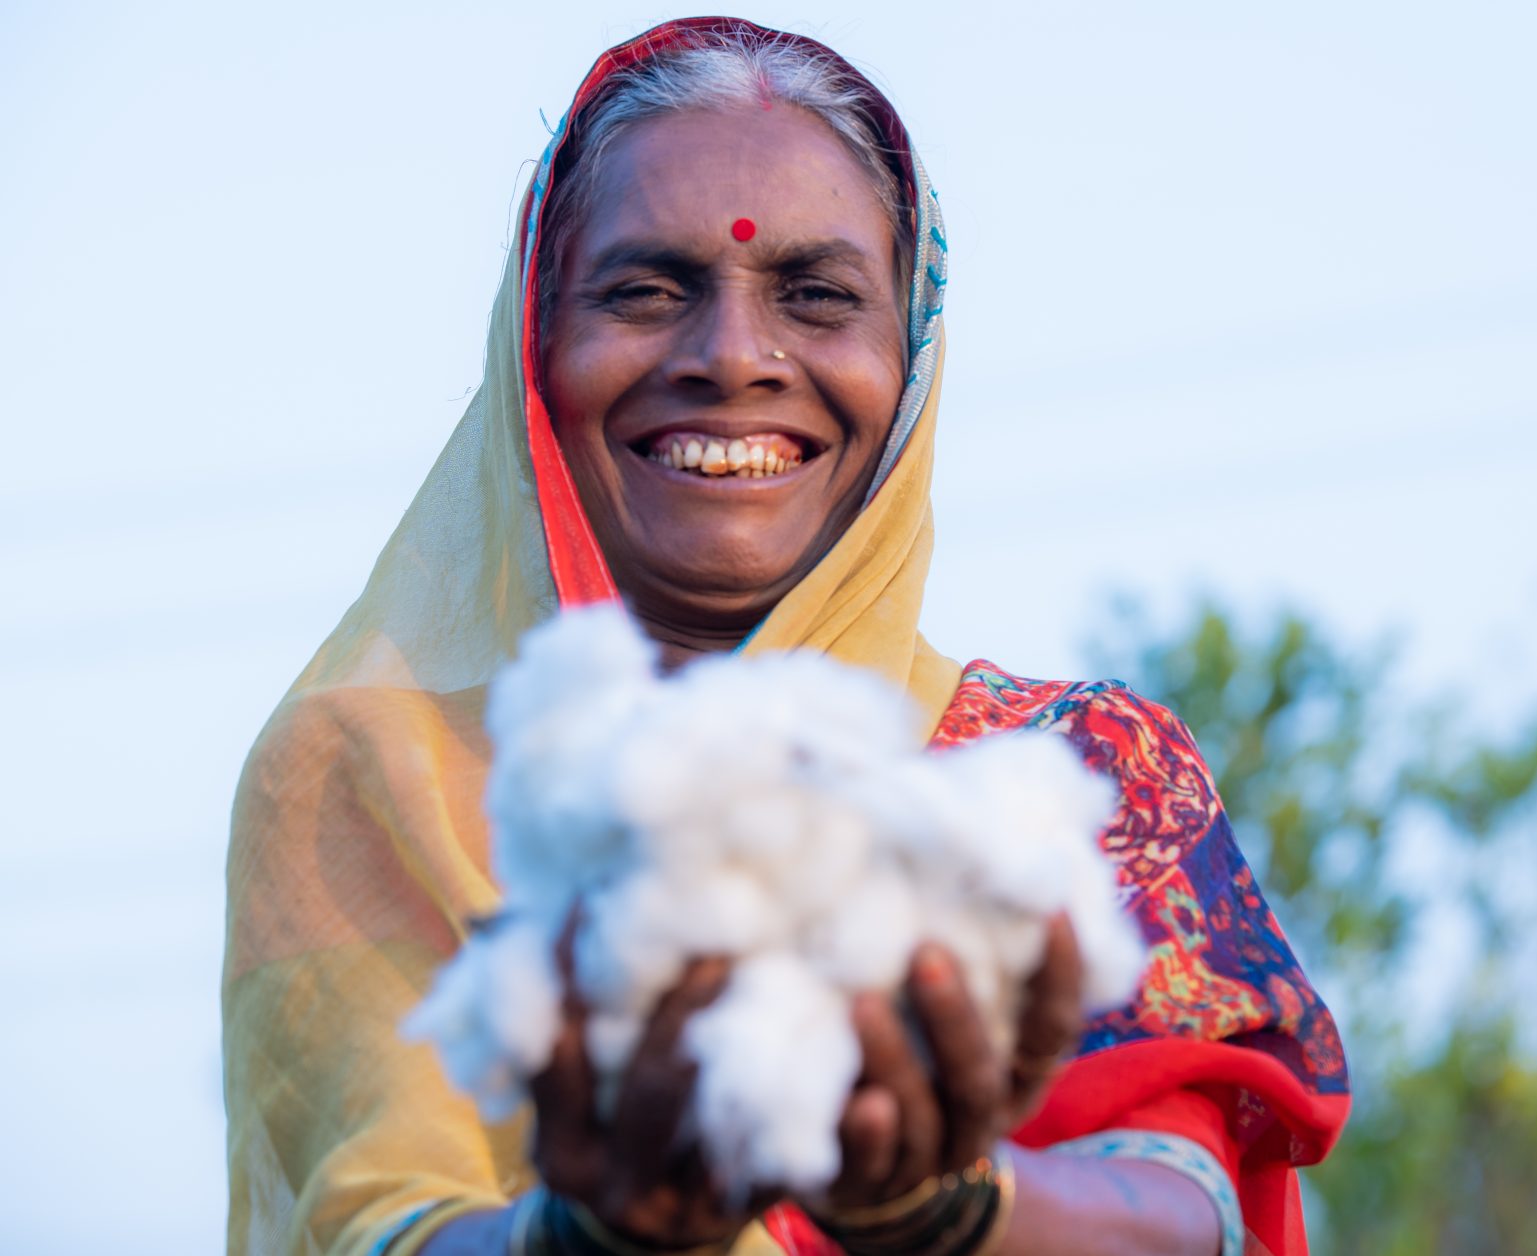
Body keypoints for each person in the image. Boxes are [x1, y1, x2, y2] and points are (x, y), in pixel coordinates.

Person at [222, 18, 1348, 1256]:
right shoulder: (373, 768)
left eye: (816, 295)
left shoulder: (1074, 768)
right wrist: (593, 1236)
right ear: (536, 351)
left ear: (910, 353)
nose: (733, 357)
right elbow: (377, 1223)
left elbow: (1181, 1215)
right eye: (648, 290)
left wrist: (937, 1203)